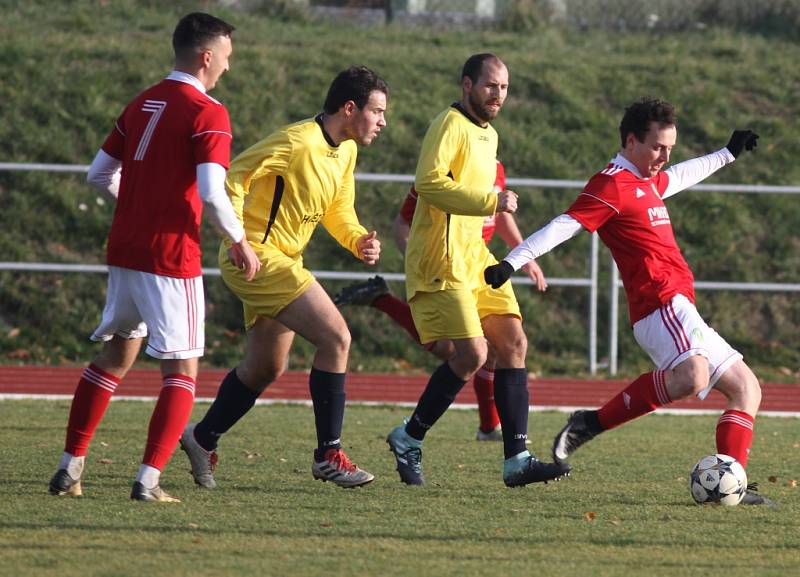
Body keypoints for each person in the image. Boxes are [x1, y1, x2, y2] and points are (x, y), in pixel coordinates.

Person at [484, 97, 772, 505]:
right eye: (658, 147)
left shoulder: (648, 180)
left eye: (670, 148)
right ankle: (591, 422)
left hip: (681, 304)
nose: (665, 156)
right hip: (658, 303)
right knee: (692, 376)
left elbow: (680, 176)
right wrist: (513, 261)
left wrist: (725, 154)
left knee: (748, 388)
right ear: (632, 141)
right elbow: (565, 225)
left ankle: (731, 482)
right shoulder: (611, 184)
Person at [48, 12, 260, 502]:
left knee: (115, 356)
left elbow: (98, 175)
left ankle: (69, 468)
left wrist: (140, 205)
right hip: (170, 256)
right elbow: (211, 189)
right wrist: (238, 239)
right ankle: (148, 481)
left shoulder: (142, 102)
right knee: (183, 372)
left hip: (125, 248)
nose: (228, 67)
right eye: (226, 57)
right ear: (207, 57)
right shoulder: (209, 112)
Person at [179, 66, 388, 490]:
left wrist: (357, 240)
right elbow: (232, 177)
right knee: (337, 338)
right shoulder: (296, 141)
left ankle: (202, 437)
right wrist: (238, 238)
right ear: (350, 108)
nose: (383, 122)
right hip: (256, 256)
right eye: (378, 111)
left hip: (280, 260)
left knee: (265, 368)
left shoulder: (345, 150)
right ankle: (328, 453)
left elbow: (338, 210)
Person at [384, 53, 570, 487]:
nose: (498, 94)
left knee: (513, 344)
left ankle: (517, 460)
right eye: (490, 85)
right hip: (441, 258)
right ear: (466, 85)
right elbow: (429, 183)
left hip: (476, 257)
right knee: (471, 354)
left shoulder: (490, 135)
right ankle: (409, 438)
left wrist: (514, 246)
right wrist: (491, 201)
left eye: (504, 87)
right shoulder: (448, 125)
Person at [333, 160, 548, 442]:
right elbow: (403, 222)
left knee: (499, 347)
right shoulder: (440, 171)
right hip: (445, 267)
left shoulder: (493, 165)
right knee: (463, 352)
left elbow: (501, 212)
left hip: (479, 265)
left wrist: (523, 254)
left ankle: (490, 429)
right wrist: (417, 258)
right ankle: (422, 433)